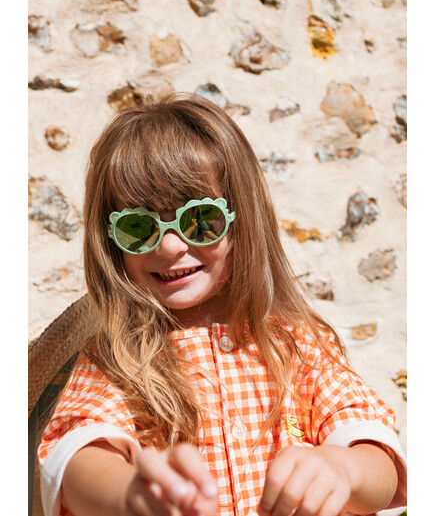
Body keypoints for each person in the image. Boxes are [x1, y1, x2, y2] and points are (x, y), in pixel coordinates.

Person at [38, 93, 407, 516]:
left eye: (199, 220)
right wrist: (130, 493)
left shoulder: (296, 344)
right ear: (111, 243)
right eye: (138, 227)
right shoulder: (120, 359)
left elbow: (377, 458)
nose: (170, 246)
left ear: (242, 219)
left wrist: (344, 469)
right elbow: (80, 460)